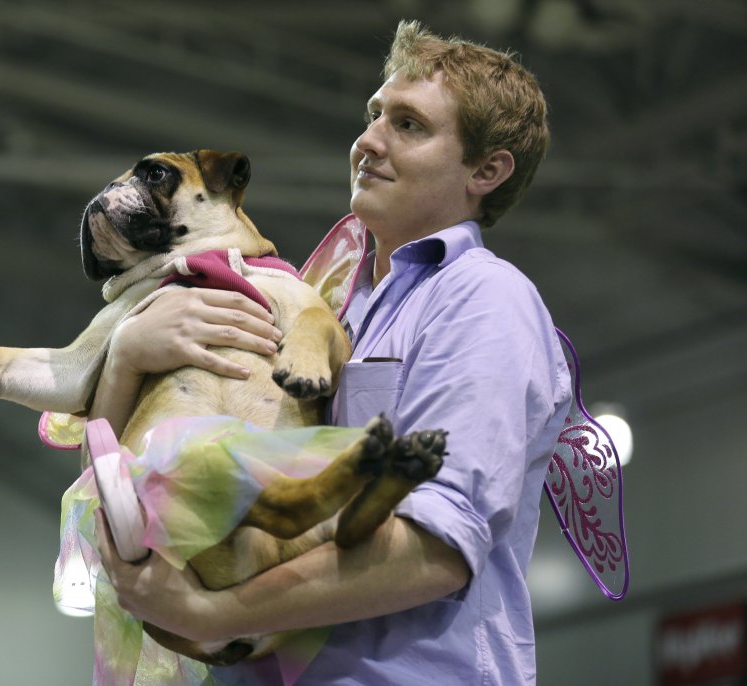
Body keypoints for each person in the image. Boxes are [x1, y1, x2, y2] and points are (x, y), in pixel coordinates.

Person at [90, 19, 572, 686]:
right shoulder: (320, 304)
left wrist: (213, 612)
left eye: (409, 125)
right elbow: (134, 472)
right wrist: (126, 356)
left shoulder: (485, 299)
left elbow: (436, 551)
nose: (369, 140)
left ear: (486, 171)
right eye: (374, 114)